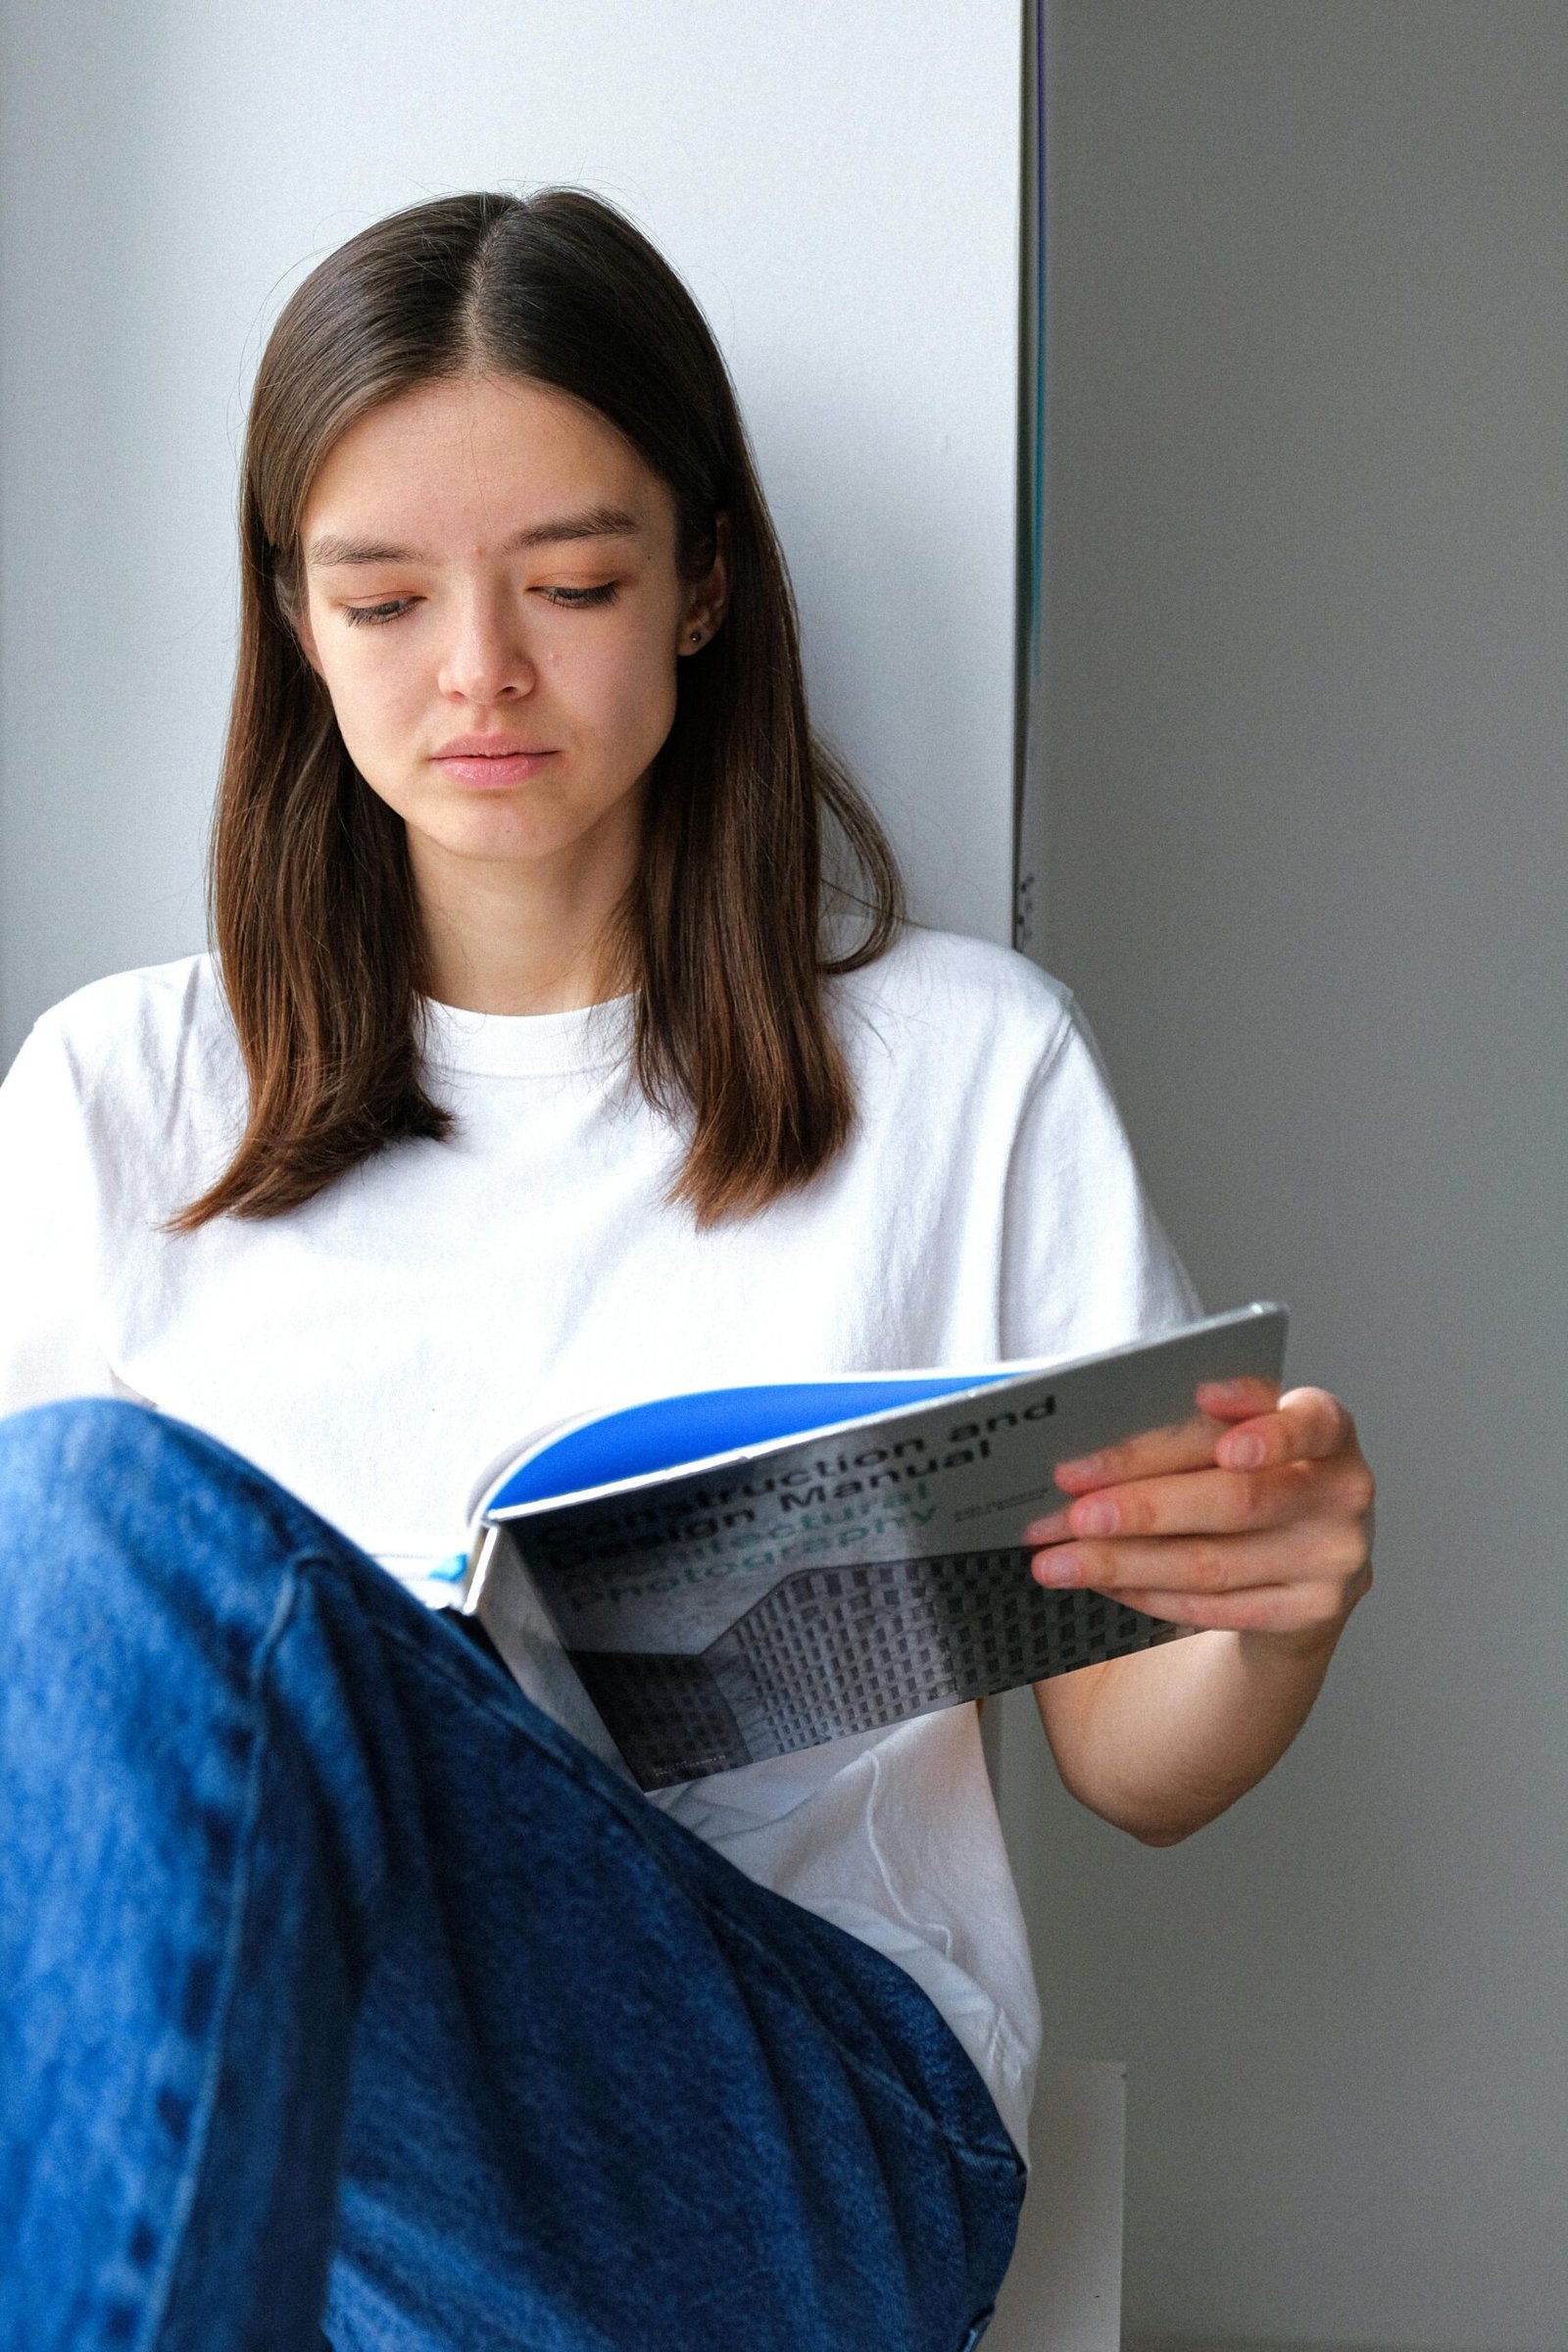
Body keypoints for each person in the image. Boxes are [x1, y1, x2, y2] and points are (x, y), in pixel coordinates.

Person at [0, 188, 1375, 2352]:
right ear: (289, 623)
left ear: (704, 581)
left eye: (570, 584)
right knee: (96, 1579)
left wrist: (1268, 1617)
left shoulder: (954, 1066)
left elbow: (1132, 1759)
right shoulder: (117, 1094)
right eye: (377, 601)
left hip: (795, 2142)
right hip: (317, 2174)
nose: (481, 674)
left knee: (97, 1517)